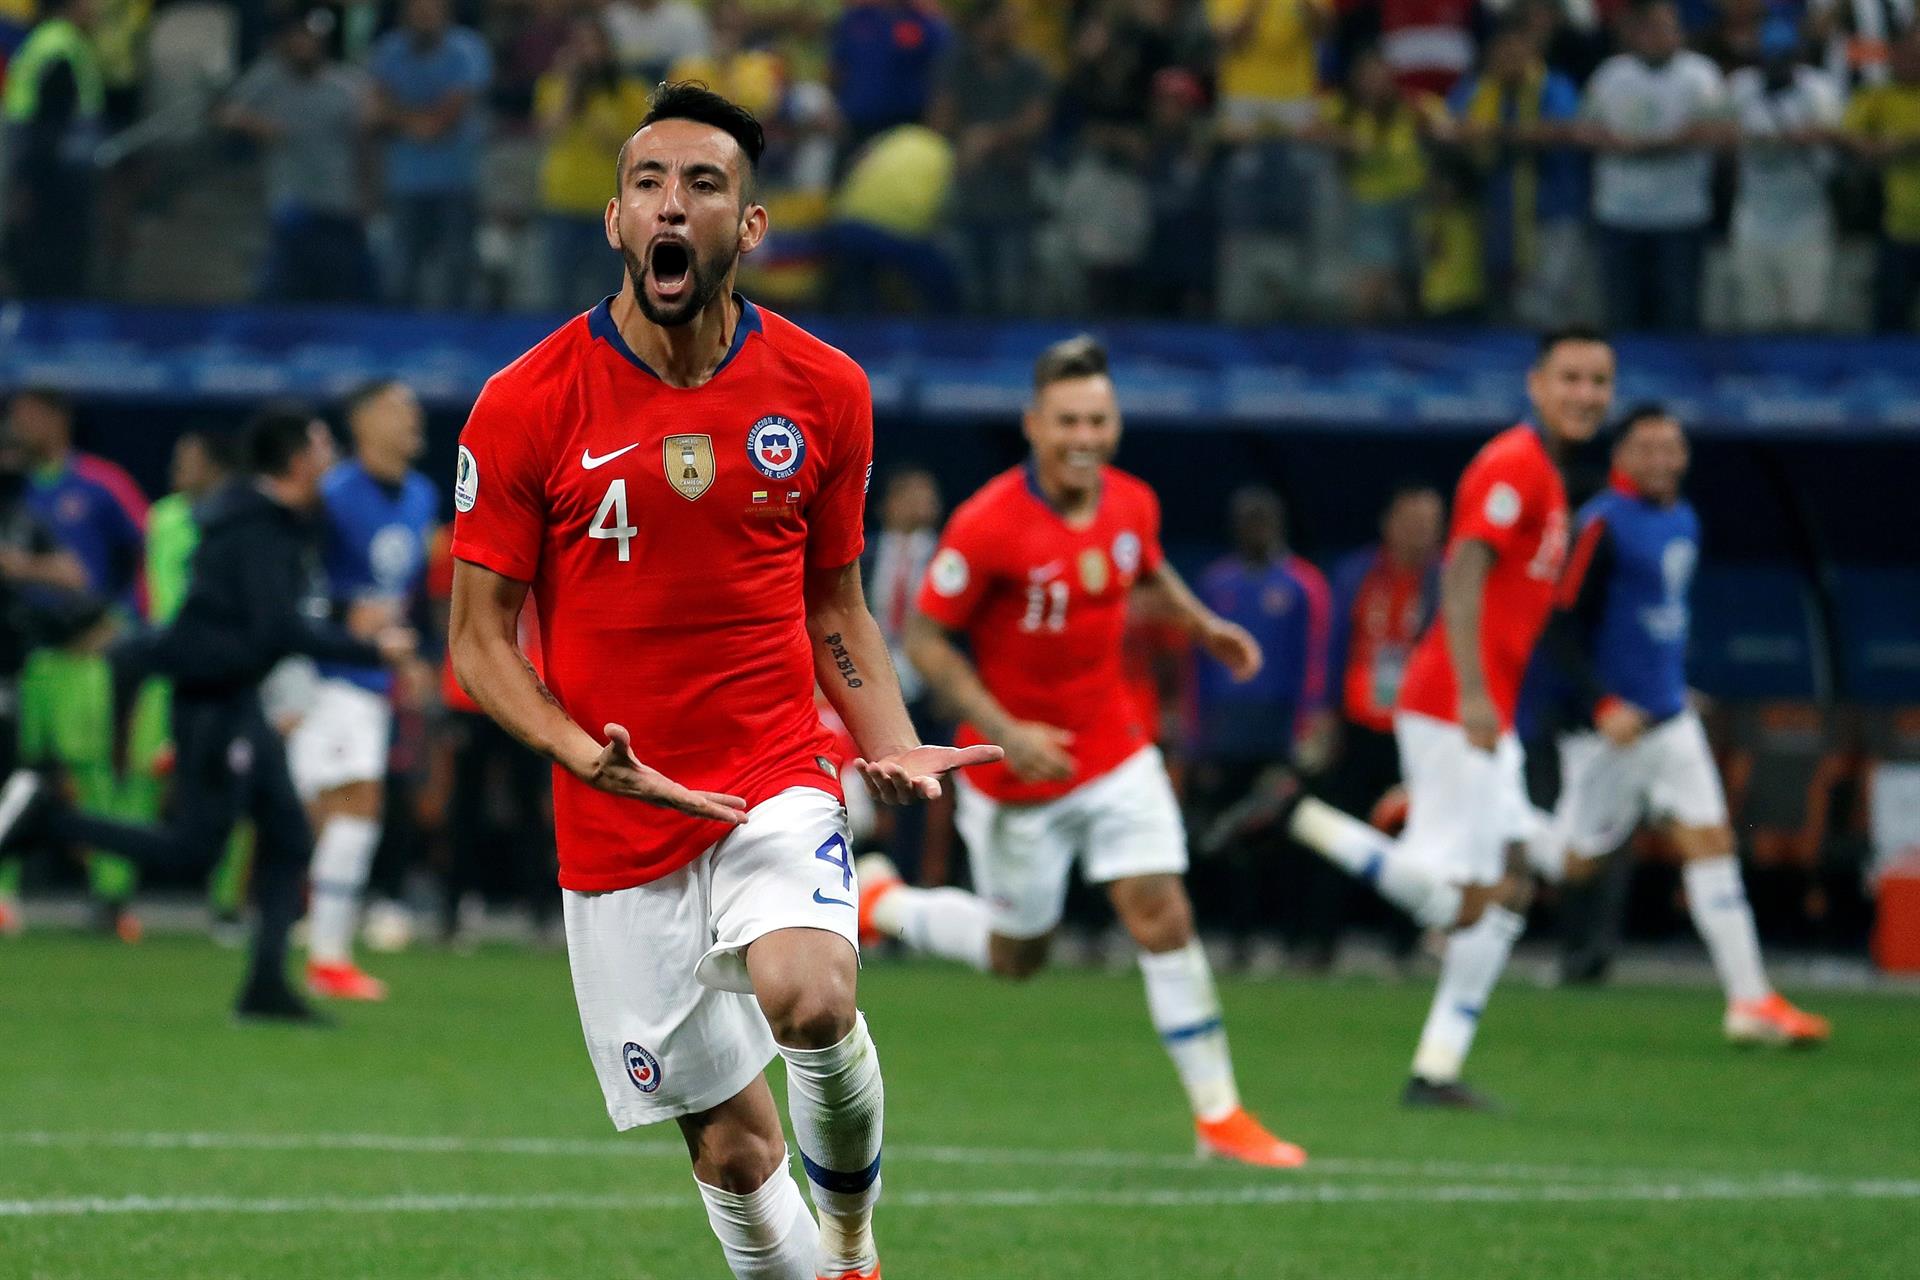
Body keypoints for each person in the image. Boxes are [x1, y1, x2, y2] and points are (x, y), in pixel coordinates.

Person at [446, 84, 997, 1280]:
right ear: (614, 221)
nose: (672, 207)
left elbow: (836, 602)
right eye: (649, 185)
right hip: (616, 813)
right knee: (739, 1159)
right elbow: (479, 638)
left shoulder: (824, 390)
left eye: (703, 186)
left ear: (748, 229)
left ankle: (852, 1238)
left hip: (768, 768)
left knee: (809, 995)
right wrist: (586, 752)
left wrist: (887, 736)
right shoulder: (524, 404)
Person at [862, 334, 1308, 1169]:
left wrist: (1203, 625)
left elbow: (1144, 569)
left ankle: (1220, 1115)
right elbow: (925, 640)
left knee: (1162, 913)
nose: (1083, 437)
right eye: (1067, 420)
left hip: (1113, 748)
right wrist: (1007, 727)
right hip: (1016, 770)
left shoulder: (1132, 501)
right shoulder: (988, 523)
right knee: (1017, 955)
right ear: (1034, 424)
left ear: (1115, 425)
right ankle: (883, 904)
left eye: (1097, 420)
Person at [1276, 327, 1613, 1109]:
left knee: (1514, 885)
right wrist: (1471, 694)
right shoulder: (1514, 465)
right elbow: (1462, 574)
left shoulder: (1554, 482)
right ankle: (1302, 818)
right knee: (1454, 898)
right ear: (1536, 384)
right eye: (1571, 378)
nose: (1586, 394)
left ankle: (1436, 1067)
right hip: (1453, 702)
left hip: (1476, 702)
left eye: (1598, 380)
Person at [0, 409, 421, 1020]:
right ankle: (50, 819)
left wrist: (341, 622)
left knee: (287, 837)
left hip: (234, 693)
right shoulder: (257, 525)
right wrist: (367, 647)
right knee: (193, 849)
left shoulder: (269, 519)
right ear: (298, 460)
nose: (330, 454)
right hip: (212, 698)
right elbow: (275, 625)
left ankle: (265, 987)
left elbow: (274, 613)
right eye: (322, 442)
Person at [1537, 406, 1830, 1045]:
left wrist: (1670, 686)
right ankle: (1474, 844)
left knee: (1712, 842)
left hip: (1669, 721)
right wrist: (1601, 704)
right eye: (1646, 448)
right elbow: (1557, 626)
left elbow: (1655, 618)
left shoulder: (1683, 518)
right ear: (1621, 456)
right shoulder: (1599, 526)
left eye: (1672, 447)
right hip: (1609, 732)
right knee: (1572, 863)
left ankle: (1750, 1002)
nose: (1661, 459)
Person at [286, 379, 436, 1001]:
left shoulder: (425, 495)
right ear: (362, 421)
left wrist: (416, 655)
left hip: (371, 677)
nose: (413, 420)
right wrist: (343, 614)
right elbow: (300, 580)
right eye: (398, 409)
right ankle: (324, 950)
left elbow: (406, 595)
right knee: (353, 808)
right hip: (320, 675)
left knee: (345, 814)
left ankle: (322, 949)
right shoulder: (331, 496)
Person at [8, 386, 147, 935]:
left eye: (30, 415)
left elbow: (142, 546)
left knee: (90, 775)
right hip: (21, 650)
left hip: (78, 654)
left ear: (58, 419)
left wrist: (121, 619)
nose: (20, 426)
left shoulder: (99, 483)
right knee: (18, 771)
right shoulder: (13, 489)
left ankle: (111, 897)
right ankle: (4, 895)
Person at [1187, 486, 1335, 965]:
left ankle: (1297, 939)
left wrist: (1308, 724)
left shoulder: (1302, 583)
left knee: (1288, 834)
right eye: (1247, 521)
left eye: (1263, 520)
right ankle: (1237, 940)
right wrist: (1197, 736)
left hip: (1279, 729)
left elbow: (1315, 659)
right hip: (1228, 730)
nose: (1255, 530)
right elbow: (1199, 664)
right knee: (1229, 838)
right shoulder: (1216, 582)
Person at [1581, 0, 1733, 332]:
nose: (1655, 36)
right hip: (1619, 212)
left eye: (1664, 28)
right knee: (1622, 317)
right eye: (1647, 28)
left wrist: (1655, 146)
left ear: (1678, 31)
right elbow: (1586, 131)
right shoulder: (1611, 75)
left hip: (1680, 214)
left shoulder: (1700, 74)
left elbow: (1720, 130)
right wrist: (1619, 144)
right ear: (1634, 32)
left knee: (1678, 315)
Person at [0, 429, 95, 936]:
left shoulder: (21, 521)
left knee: (10, 774)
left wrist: (21, 567)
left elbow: (74, 574)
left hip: (10, 663)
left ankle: (2, 893)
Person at [218, 7, 380, 306]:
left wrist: (366, 196)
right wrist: (259, 125)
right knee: (283, 294)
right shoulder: (269, 78)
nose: (305, 45)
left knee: (339, 294)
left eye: (312, 39)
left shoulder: (346, 85)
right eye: (299, 38)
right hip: (289, 204)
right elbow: (226, 112)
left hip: (336, 205)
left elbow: (365, 144)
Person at [927, 0, 1052, 316]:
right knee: (970, 296)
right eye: (998, 22)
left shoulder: (1028, 68)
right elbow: (939, 121)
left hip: (1013, 194)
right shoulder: (956, 66)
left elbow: (1036, 120)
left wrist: (990, 137)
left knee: (1011, 295)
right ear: (980, 25)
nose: (1004, 30)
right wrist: (966, 141)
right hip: (968, 194)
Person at [369, 0, 492, 309]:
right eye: (417, 9)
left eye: (431, 9)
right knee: (399, 275)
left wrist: (399, 117)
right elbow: (372, 112)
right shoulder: (388, 50)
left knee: (457, 273)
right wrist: (416, 121)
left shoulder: (467, 49)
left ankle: (459, 349)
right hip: (404, 182)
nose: (424, 16)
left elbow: (441, 121)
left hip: (456, 180)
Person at [1727, 21, 1844, 331]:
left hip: (1806, 217)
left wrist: (1798, 138)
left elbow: (1833, 136)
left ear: (1798, 56)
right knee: (1756, 316)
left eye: (1785, 57)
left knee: (1806, 315)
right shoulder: (1741, 87)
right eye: (1772, 56)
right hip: (1754, 216)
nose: (1778, 64)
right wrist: (1753, 140)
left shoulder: (1820, 89)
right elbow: (1720, 133)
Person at [534, 12, 650, 309]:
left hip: (611, 206)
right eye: (579, 45)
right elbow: (549, 130)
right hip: (563, 201)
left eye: (593, 44)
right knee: (559, 295)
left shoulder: (629, 92)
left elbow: (638, 147)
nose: (587, 52)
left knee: (611, 296)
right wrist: (573, 90)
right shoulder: (554, 85)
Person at [2, 0, 104, 298]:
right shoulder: (62, 47)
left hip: (41, 166)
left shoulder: (43, 39)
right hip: (56, 174)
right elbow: (50, 120)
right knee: (53, 252)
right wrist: (31, 180)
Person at [1842, 27, 1920, 332]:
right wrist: (1885, 148)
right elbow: (1849, 140)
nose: (1910, 63)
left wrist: (1902, 144)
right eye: (1904, 56)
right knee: (1890, 317)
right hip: (1897, 226)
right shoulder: (1876, 95)